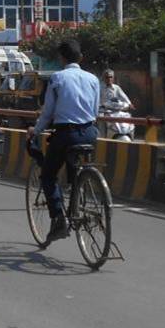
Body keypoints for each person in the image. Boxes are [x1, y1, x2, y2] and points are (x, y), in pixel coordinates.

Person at [29, 40, 100, 242]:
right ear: (81, 58)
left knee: (48, 176)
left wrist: (36, 130)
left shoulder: (58, 78)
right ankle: (76, 192)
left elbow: (48, 112)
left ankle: (59, 218)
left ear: (61, 58)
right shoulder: (93, 79)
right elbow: (95, 111)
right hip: (89, 132)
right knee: (75, 168)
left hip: (65, 134)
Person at [100, 69, 134, 139]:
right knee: (101, 121)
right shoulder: (100, 88)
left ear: (113, 78)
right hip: (104, 111)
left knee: (127, 117)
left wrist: (130, 104)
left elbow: (124, 96)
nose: (109, 79)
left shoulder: (116, 87)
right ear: (104, 78)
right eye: (107, 77)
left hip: (116, 111)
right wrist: (100, 105)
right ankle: (102, 138)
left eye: (110, 77)